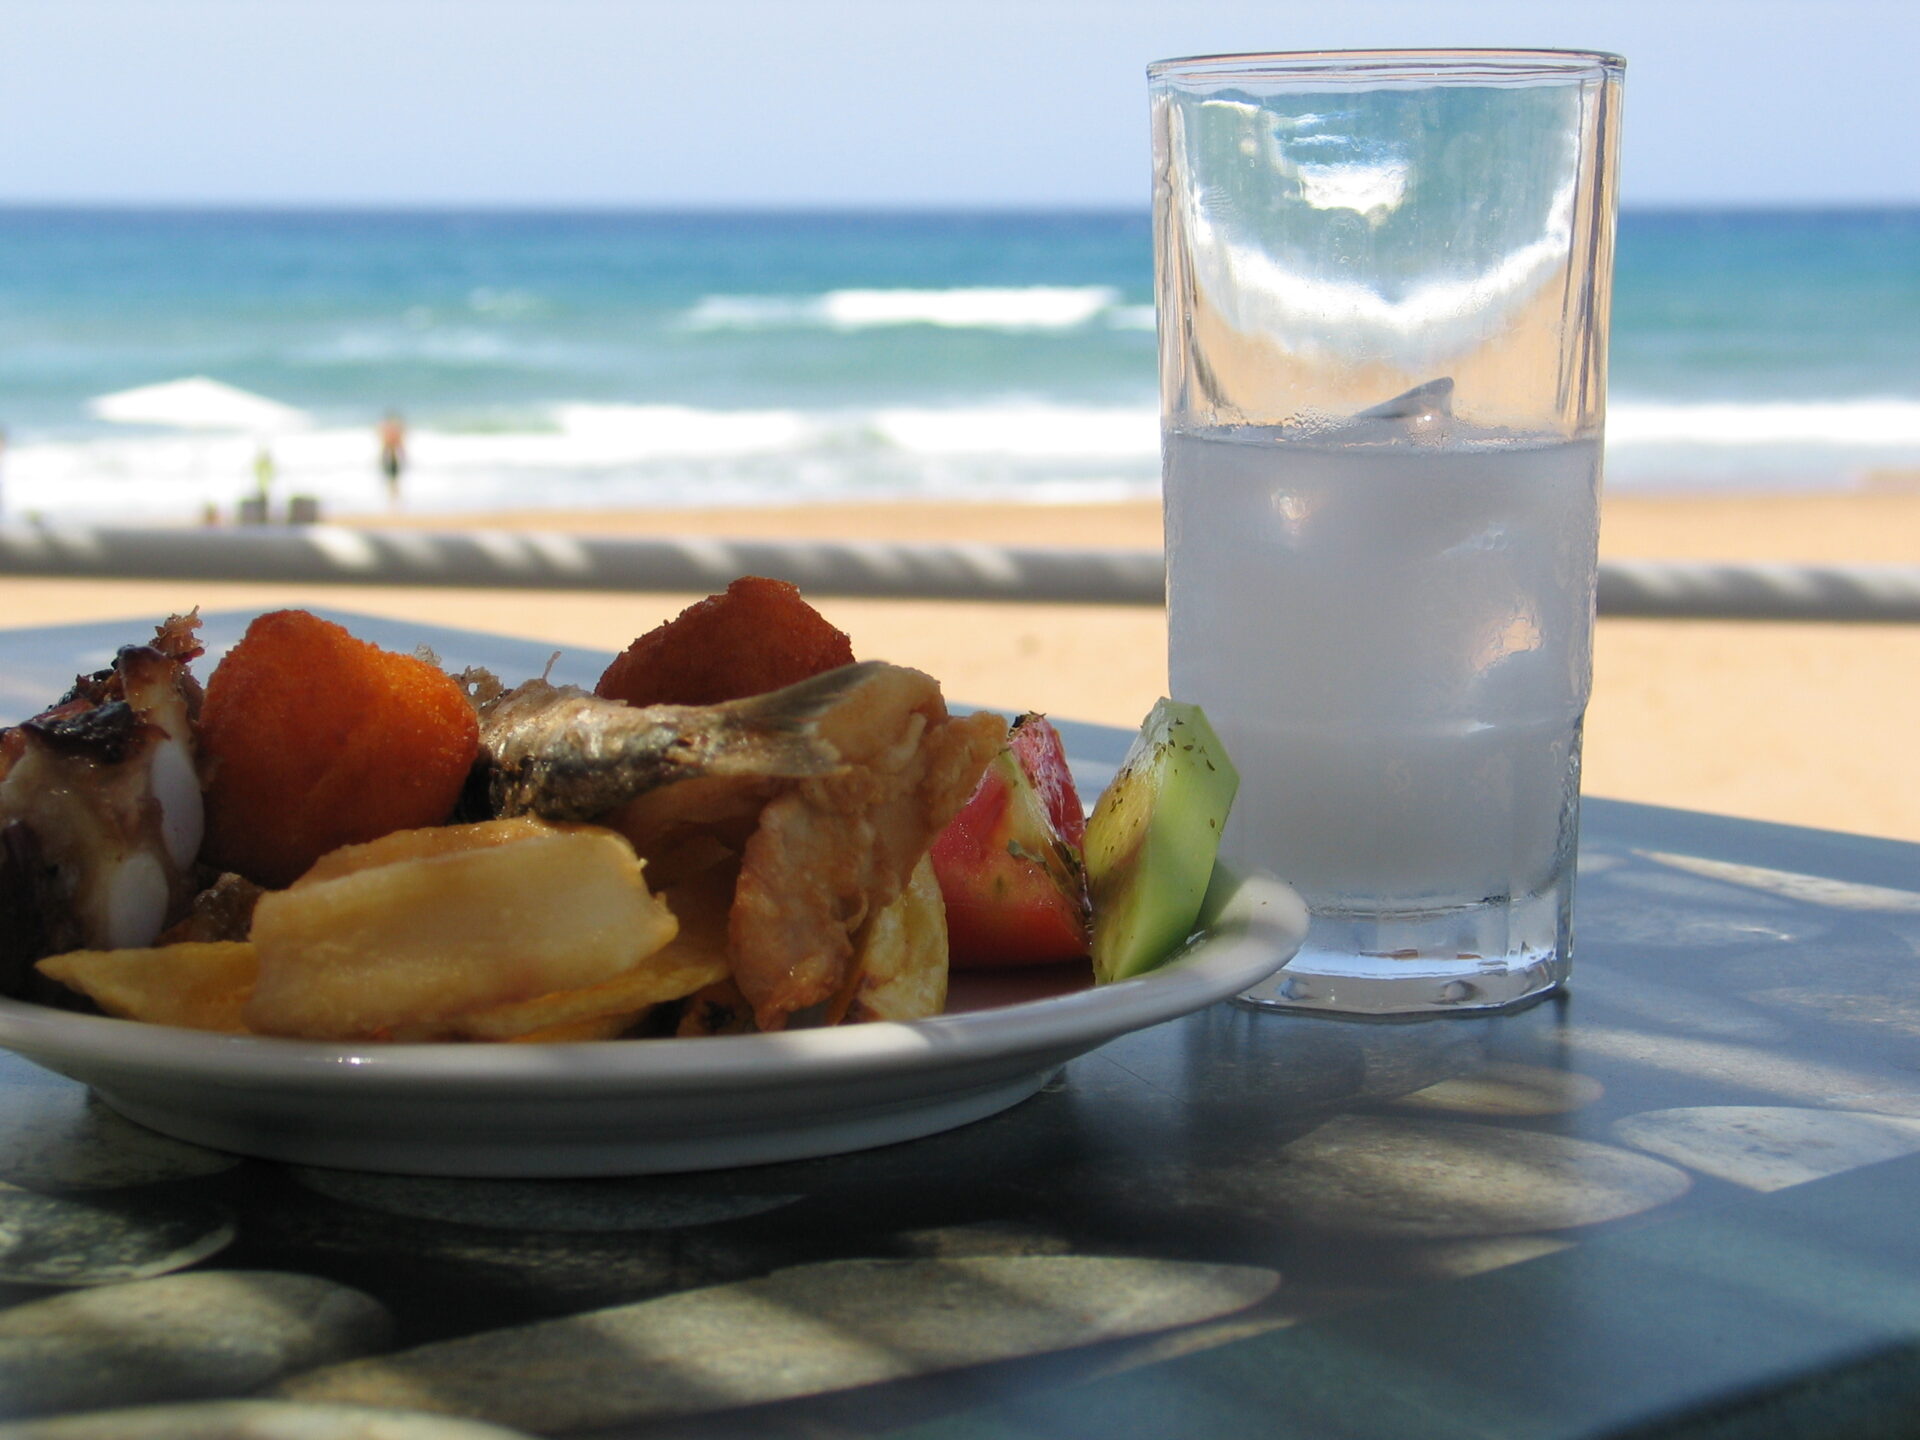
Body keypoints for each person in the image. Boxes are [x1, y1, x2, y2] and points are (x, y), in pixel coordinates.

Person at [378, 411, 407, 506]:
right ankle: (394, 500)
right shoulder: (392, 430)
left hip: (392, 456)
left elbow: (398, 444)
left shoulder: (389, 430)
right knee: (392, 479)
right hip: (390, 455)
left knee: (393, 479)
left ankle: (394, 500)